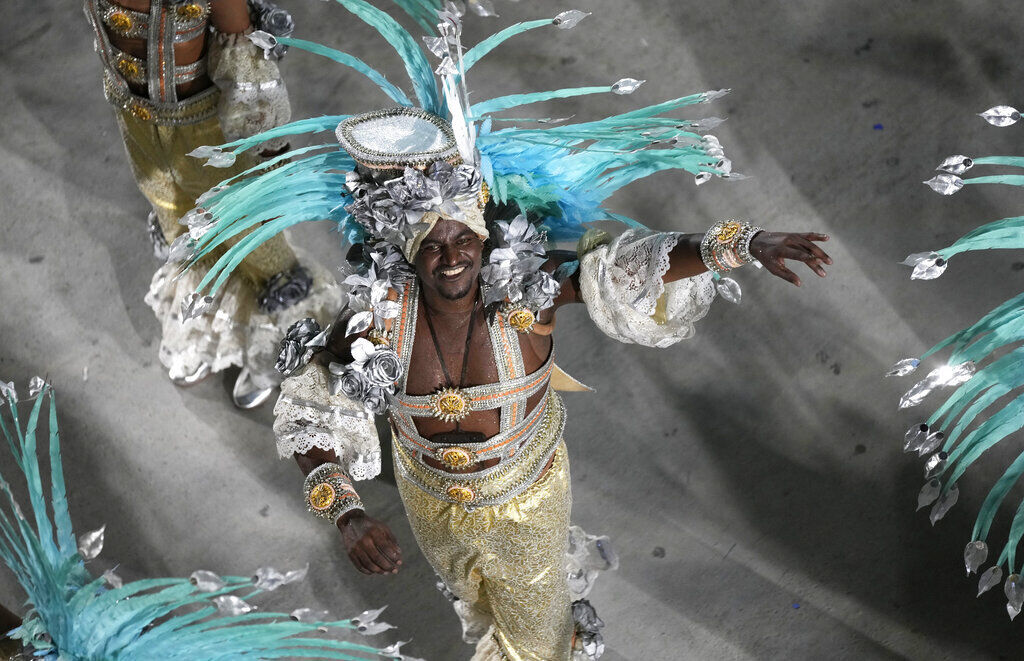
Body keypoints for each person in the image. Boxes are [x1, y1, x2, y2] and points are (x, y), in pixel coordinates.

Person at [182, 4, 831, 658]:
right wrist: (346, 513)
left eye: (464, 237)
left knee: (536, 635)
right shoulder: (375, 319)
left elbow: (627, 268)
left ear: (484, 233)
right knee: (476, 609)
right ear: (407, 253)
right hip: (427, 502)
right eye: (432, 246)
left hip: (527, 501)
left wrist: (742, 244)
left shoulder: (523, 289)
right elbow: (309, 411)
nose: (453, 256)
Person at [83, 0, 340, 407]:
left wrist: (259, 133)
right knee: (179, 225)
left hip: (204, 123)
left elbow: (241, 50)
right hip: (136, 119)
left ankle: (280, 350)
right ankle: (206, 337)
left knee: (246, 230)